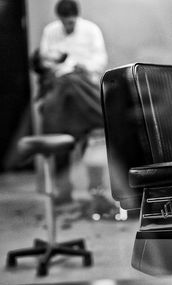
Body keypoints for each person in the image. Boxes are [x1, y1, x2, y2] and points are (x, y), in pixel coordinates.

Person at [37, 0, 108, 205]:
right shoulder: (50, 31)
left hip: (84, 92)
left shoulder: (91, 30)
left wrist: (80, 67)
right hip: (62, 94)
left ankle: (96, 191)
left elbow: (100, 60)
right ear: (59, 19)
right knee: (60, 141)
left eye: (71, 23)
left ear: (77, 17)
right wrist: (60, 66)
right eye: (64, 23)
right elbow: (45, 61)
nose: (68, 27)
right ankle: (63, 190)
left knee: (91, 142)